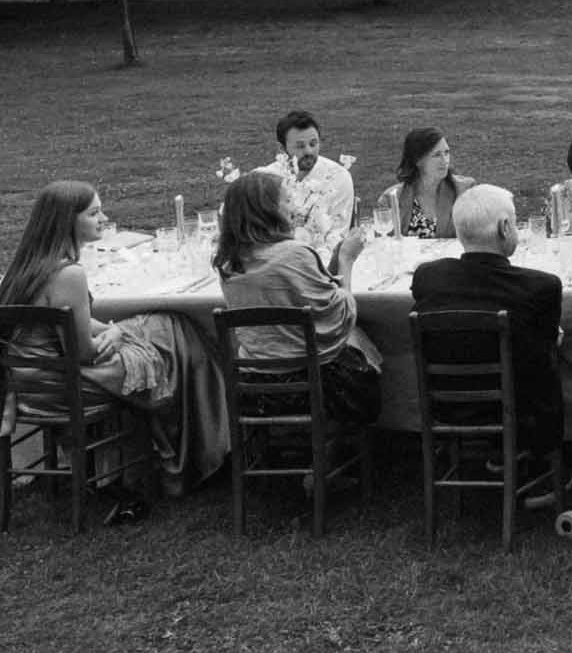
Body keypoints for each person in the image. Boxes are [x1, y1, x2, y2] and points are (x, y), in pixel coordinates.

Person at [0, 182, 229, 509]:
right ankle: (197, 452)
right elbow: (85, 353)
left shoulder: (28, 267)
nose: (104, 218)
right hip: (67, 385)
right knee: (175, 333)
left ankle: (190, 448)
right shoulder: (69, 274)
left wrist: (114, 330)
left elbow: (71, 322)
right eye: (94, 213)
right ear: (67, 221)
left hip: (28, 382)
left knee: (162, 328)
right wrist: (117, 335)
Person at [411, 184, 565, 461]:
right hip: (519, 409)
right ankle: (539, 462)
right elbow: (545, 349)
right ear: (505, 227)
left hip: (445, 402)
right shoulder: (540, 286)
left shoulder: (427, 277)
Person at [216, 173, 383, 427]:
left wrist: (333, 263)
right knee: (364, 340)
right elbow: (341, 316)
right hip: (313, 390)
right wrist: (347, 261)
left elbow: (303, 293)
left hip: (254, 390)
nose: (295, 207)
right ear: (267, 209)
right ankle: (390, 436)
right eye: (287, 201)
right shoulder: (294, 254)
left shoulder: (229, 262)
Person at [255, 110, 355, 246]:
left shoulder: (338, 177)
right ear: (281, 148)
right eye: (300, 146)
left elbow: (338, 236)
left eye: (313, 144)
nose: (309, 151)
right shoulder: (266, 179)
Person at [384, 128, 471, 240]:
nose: (445, 160)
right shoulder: (391, 199)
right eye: (437, 155)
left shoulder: (464, 190)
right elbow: (383, 244)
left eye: (446, 152)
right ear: (418, 160)